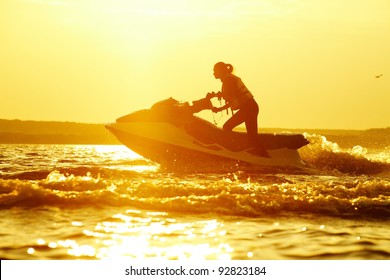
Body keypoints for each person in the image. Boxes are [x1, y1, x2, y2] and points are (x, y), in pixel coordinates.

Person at [207, 62, 265, 152]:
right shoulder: (229, 79)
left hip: (248, 108)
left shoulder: (228, 79)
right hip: (250, 107)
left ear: (221, 70)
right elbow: (232, 99)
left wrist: (215, 95)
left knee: (227, 127)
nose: (213, 73)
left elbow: (230, 93)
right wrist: (219, 109)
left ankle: (233, 148)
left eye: (215, 71)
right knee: (252, 135)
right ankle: (261, 151)